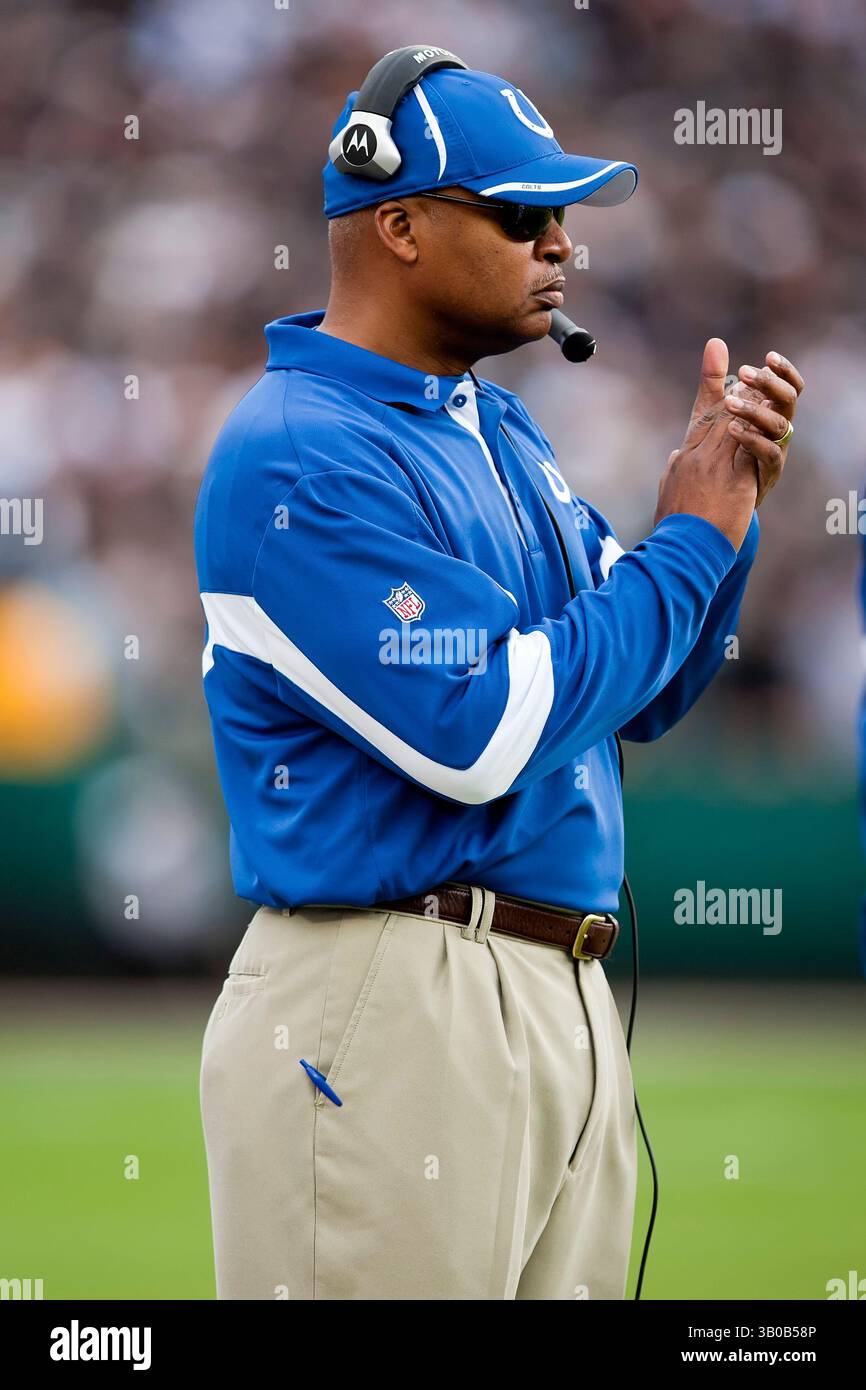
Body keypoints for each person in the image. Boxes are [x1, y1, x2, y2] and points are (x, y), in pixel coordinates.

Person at [193, 49, 802, 1301]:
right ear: (398, 223)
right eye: (522, 211)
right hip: (391, 994)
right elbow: (479, 732)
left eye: (563, 214)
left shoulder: (495, 428)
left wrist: (720, 524)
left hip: (549, 996)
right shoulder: (300, 450)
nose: (561, 243)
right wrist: (681, 543)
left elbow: (637, 691)